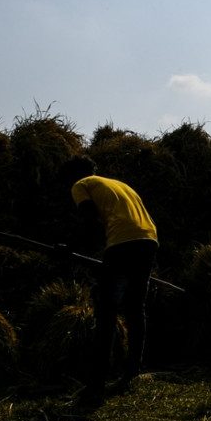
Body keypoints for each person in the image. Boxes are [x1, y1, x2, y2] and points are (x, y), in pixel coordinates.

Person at [60, 156, 159, 402]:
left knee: (106, 311)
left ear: (73, 175)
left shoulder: (80, 185)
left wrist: (68, 247)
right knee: (136, 308)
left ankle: (96, 384)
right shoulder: (120, 185)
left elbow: (89, 218)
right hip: (149, 240)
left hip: (122, 242)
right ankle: (131, 373)